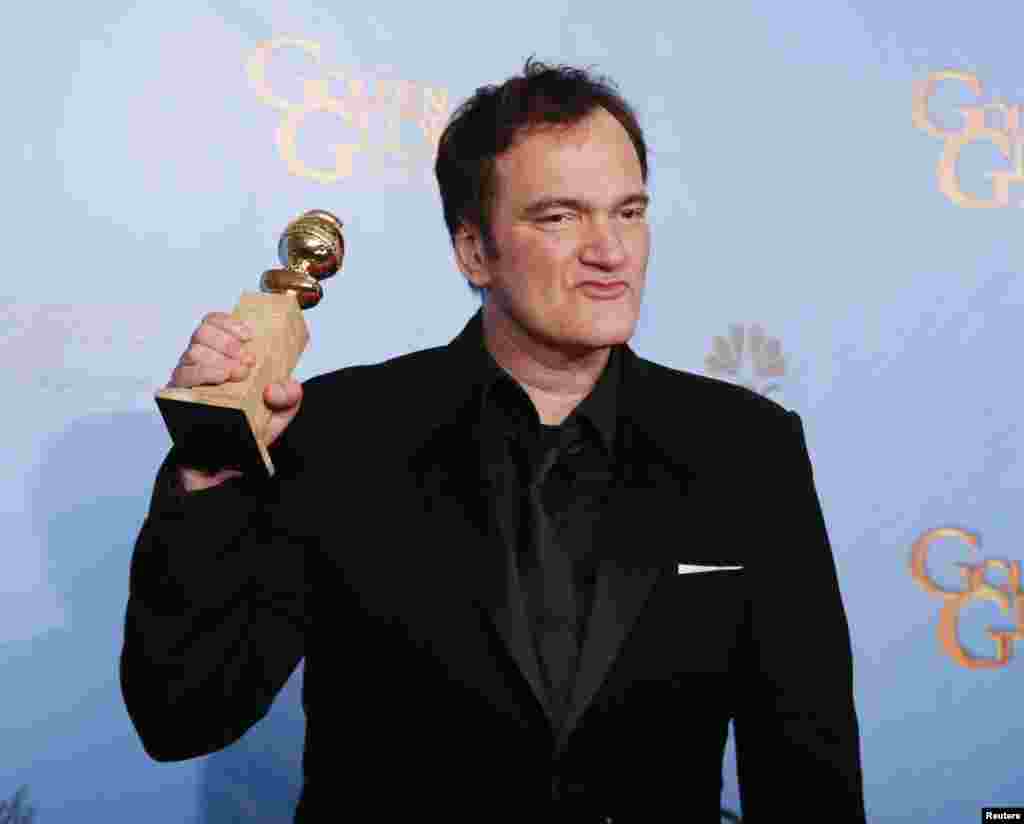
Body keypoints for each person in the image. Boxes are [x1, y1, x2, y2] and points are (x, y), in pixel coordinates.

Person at [120, 58, 866, 823]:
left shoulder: (745, 449)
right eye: (560, 217)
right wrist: (210, 473)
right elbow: (182, 714)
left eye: (629, 212)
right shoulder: (341, 431)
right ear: (474, 250)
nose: (610, 251)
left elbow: (808, 769)